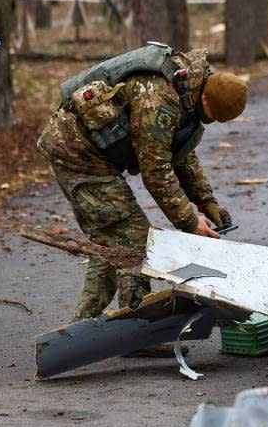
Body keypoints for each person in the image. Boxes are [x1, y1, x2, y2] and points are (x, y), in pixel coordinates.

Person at [37, 44, 247, 356]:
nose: (209, 121)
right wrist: (189, 221)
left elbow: (180, 152)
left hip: (94, 154)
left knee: (113, 243)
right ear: (205, 97)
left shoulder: (188, 88)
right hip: (76, 153)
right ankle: (125, 331)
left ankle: (97, 330)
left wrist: (206, 201)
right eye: (211, 116)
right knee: (132, 237)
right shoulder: (159, 99)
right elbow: (156, 171)